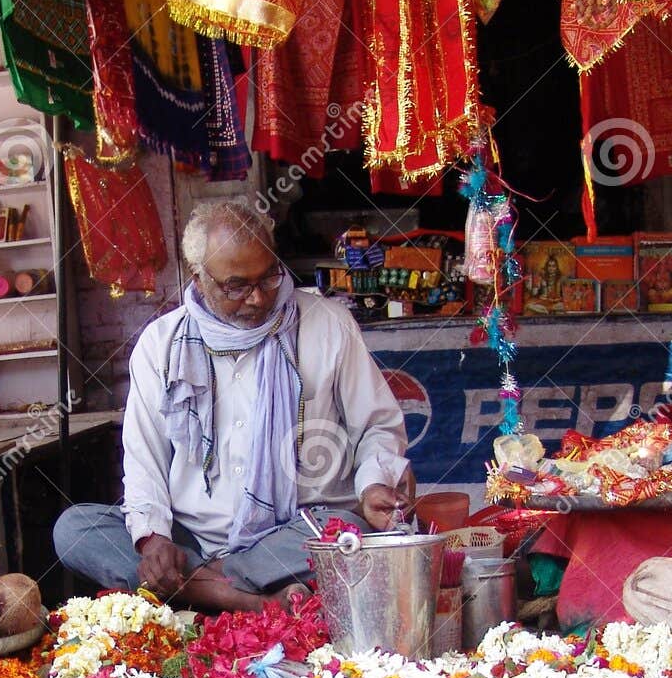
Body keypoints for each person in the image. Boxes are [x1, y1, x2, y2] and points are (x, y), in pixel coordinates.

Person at [54, 198, 413, 611]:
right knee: (74, 529)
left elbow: (376, 426)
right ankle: (248, 597)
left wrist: (373, 484)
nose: (258, 298)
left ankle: (199, 589)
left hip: (294, 534)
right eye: (237, 286)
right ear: (199, 278)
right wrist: (154, 540)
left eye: (269, 277)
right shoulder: (160, 345)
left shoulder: (328, 325)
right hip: (190, 539)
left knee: (346, 531)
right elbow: (144, 458)